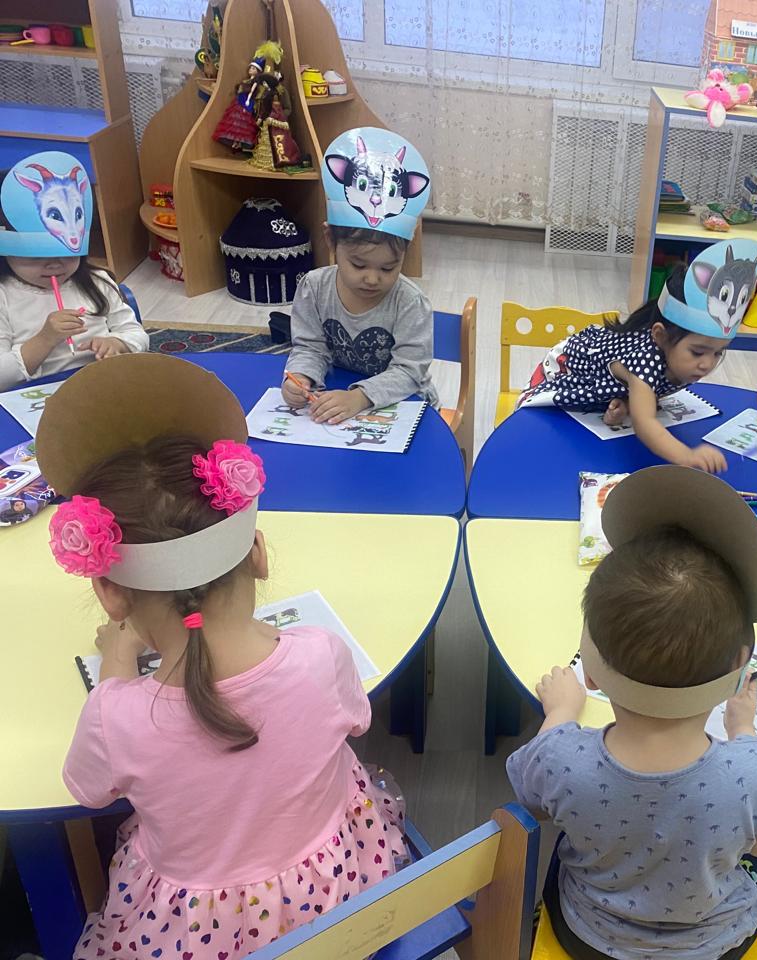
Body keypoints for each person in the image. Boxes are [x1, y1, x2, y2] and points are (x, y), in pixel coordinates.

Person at [40, 354, 407, 960]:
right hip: (339, 901)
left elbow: (89, 793)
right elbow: (355, 721)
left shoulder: (115, 714)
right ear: (257, 554)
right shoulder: (320, 655)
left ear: (110, 594)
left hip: (195, 935)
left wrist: (118, 663)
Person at [507, 466, 757, 959]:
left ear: (591, 674)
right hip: (715, 946)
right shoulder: (751, 769)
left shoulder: (560, 756)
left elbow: (530, 801)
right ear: (741, 667)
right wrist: (743, 727)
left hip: (588, 938)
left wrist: (560, 715)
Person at [518, 239, 757, 473]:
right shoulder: (643, 359)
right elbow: (645, 423)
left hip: (612, 382)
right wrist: (687, 456)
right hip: (568, 369)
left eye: (718, 353)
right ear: (660, 336)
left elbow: (652, 388)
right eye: (698, 352)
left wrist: (631, 401)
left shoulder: (679, 358)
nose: (707, 364)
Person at [283, 126, 437, 424]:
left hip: (404, 404)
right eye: (358, 264)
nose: (372, 279)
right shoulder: (314, 288)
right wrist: (300, 377)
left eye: (388, 268)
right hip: (337, 398)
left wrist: (359, 398)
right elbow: (310, 347)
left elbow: (410, 371)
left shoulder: (409, 302)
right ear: (330, 241)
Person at [0, 151, 148, 391]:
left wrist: (118, 343)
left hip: (102, 386)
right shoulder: (4, 297)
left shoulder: (97, 282)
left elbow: (136, 334)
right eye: (36, 256)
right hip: (36, 396)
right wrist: (45, 339)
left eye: (68, 254)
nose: (54, 265)